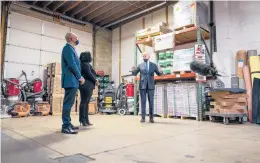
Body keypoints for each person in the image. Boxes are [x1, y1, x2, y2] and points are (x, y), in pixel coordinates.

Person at [61, 32, 85, 134]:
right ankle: (65, 126)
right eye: (76, 37)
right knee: (68, 103)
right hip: (70, 80)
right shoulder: (67, 48)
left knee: (69, 103)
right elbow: (72, 64)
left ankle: (68, 123)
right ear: (71, 38)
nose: (77, 38)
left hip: (72, 80)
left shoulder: (71, 49)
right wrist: (80, 77)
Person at [132, 52, 163, 123]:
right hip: (142, 86)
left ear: (149, 56)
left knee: (151, 102)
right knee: (143, 102)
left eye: (145, 56)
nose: (144, 57)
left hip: (150, 86)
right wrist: (133, 70)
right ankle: (143, 118)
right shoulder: (140, 65)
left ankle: (151, 118)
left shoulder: (153, 65)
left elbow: (159, 74)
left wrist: (161, 71)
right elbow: (134, 73)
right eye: (143, 56)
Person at [78, 51, 98, 126]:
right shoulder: (85, 64)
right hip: (86, 85)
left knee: (85, 102)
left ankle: (85, 120)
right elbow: (89, 74)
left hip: (87, 85)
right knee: (84, 102)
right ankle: (83, 120)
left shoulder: (85, 64)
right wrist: (95, 80)